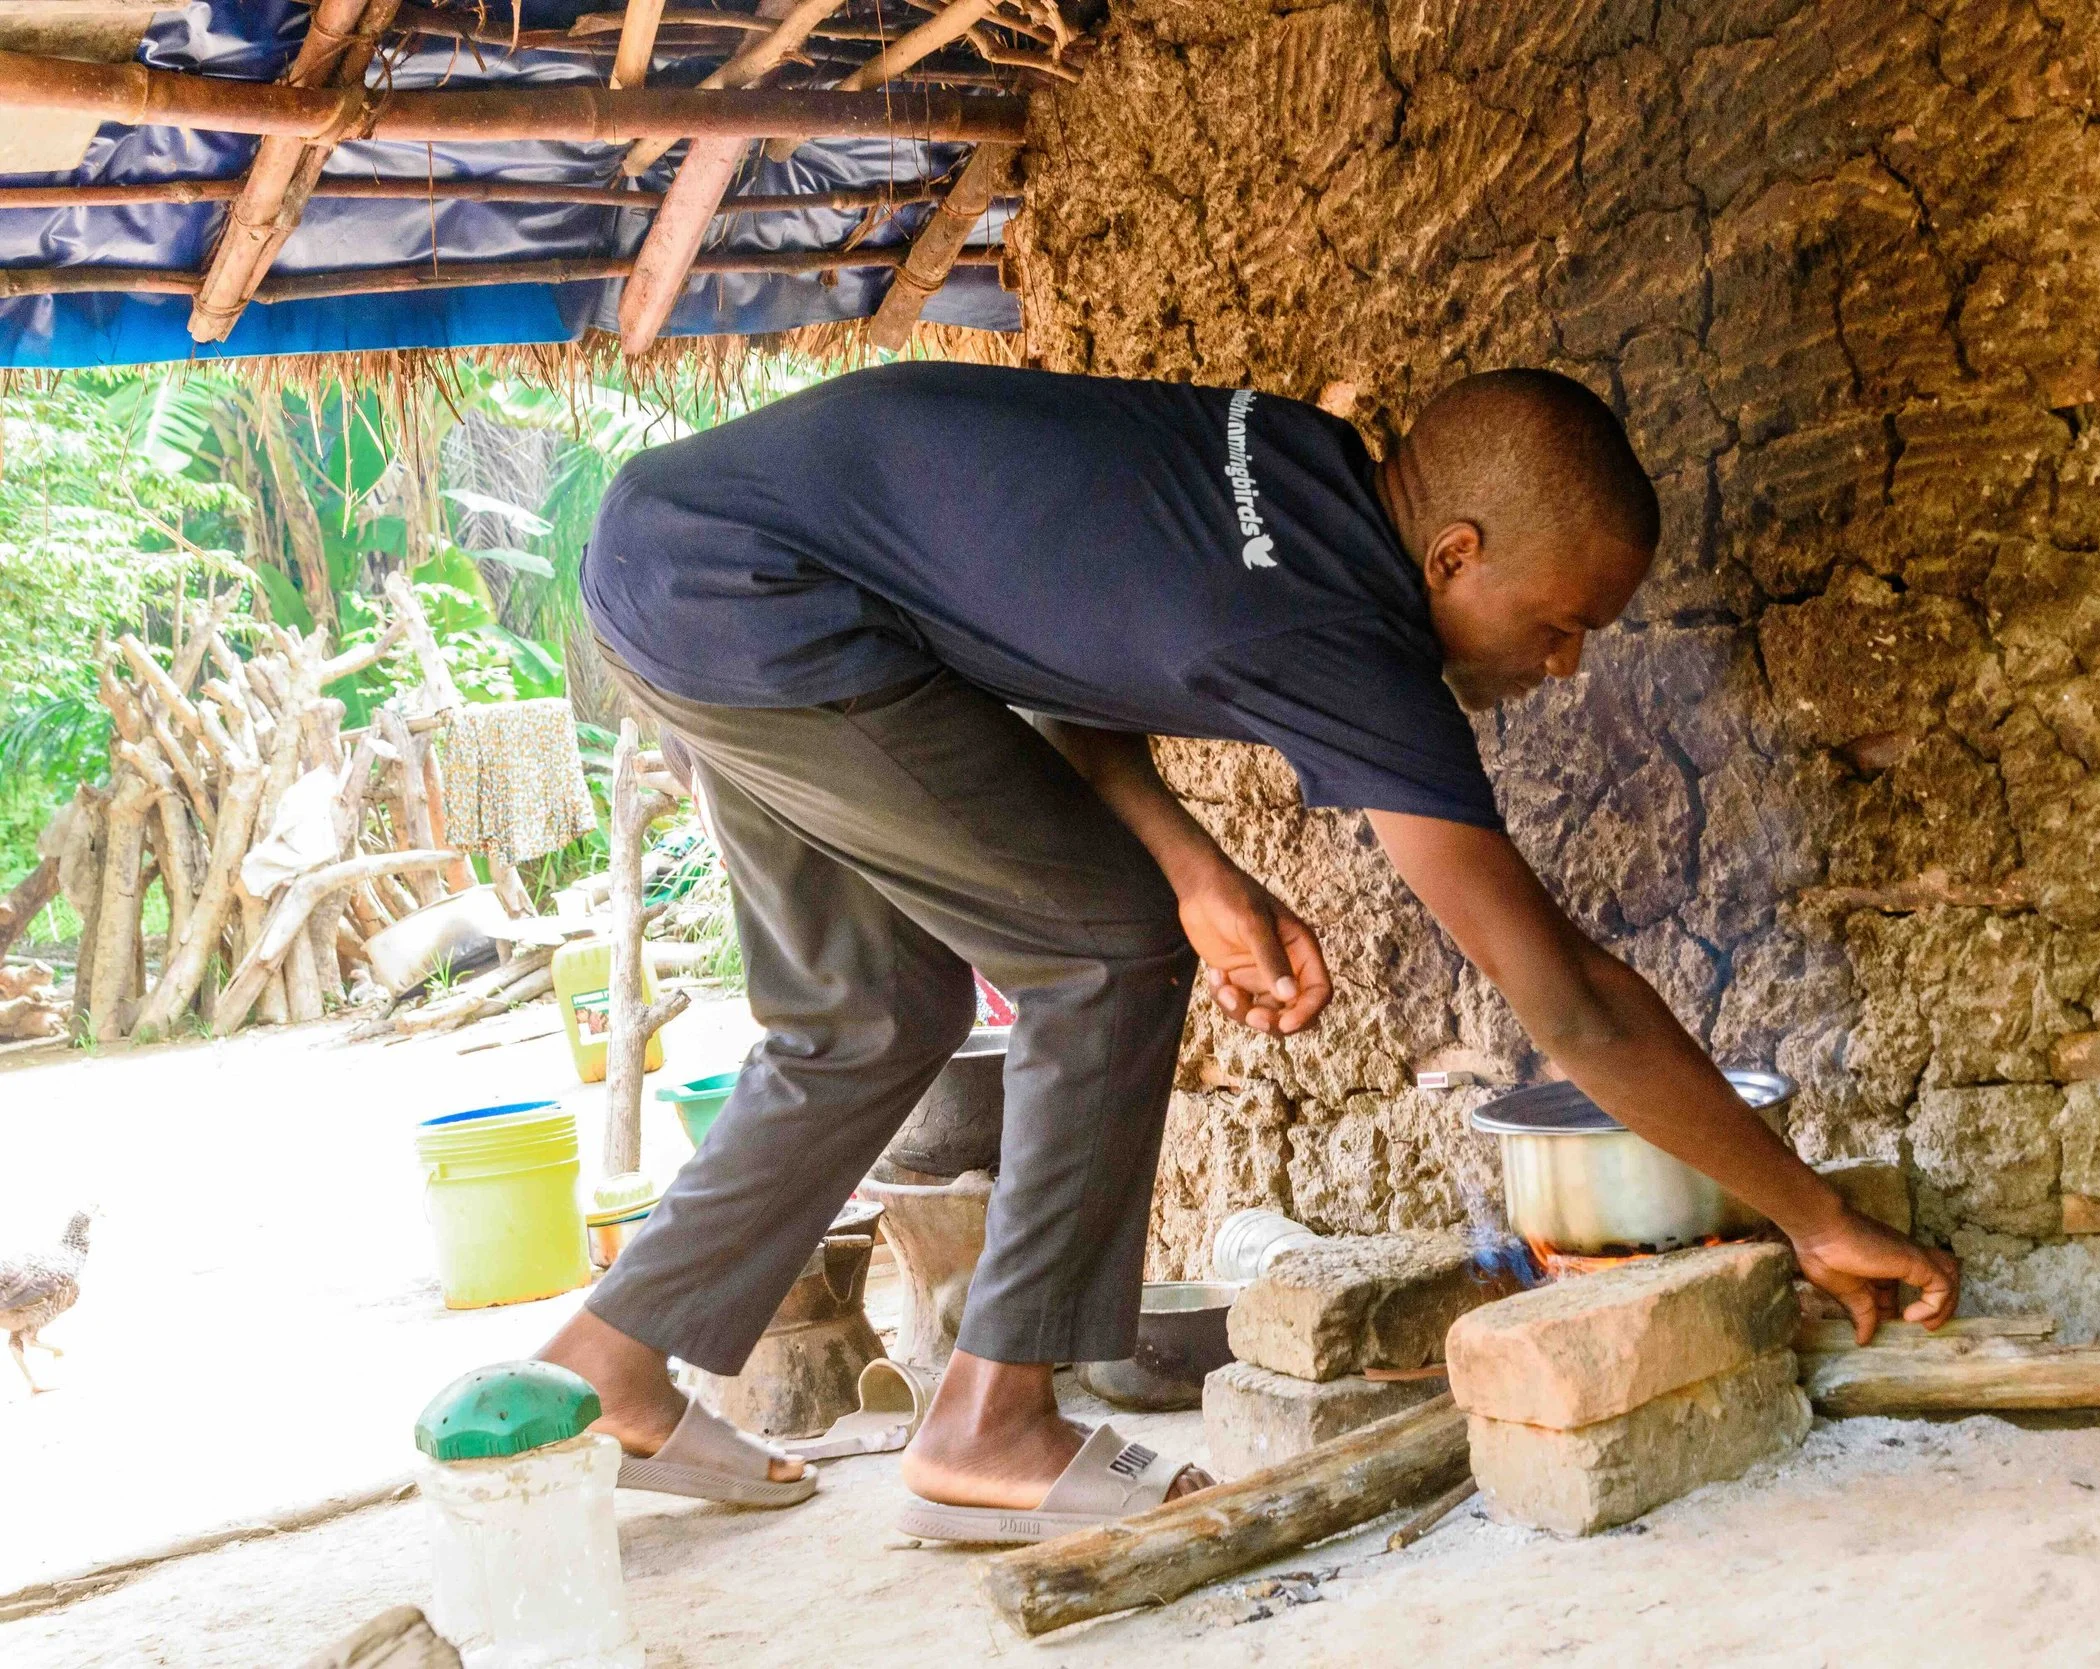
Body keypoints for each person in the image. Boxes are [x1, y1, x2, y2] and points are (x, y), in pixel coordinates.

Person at [538, 361, 1959, 1542]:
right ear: (1451, 557)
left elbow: (1055, 630)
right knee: (1101, 958)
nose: (1564, 664)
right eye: (1560, 624)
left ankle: (609, 1363)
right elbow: (1572, 1005)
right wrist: (1807, 1211)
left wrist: (1190, 862)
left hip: (687, 551)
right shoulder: (1345, 637)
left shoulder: (1301, 458)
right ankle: (992, 1421)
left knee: (866, 1016)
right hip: (769, 602)